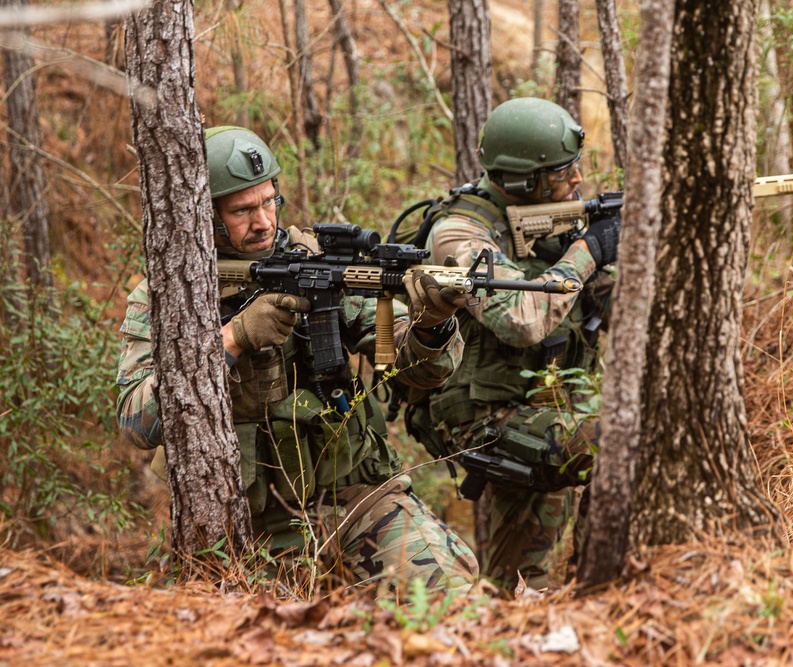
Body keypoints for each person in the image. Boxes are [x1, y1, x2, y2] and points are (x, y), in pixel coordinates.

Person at [116, 125, 478, 594]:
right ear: (203, 215)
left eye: (269, 202)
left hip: (355, 501)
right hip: (243, 528)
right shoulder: (168, 294)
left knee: (450, 595)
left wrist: (432, 322)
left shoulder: (315, 263)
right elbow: (137, 422)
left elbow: (415, 368)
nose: (263, 221)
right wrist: (234, 337)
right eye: (243, 210)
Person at [403, 98, 619, 590]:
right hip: (483, 419)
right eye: (564, 171)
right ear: (526, 181)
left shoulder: (550, 218)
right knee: (620, 444)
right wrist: (588, 253)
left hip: (547, 402)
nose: (579, 179)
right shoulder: (460, 232)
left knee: (517, 585)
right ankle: (606, 590)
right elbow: (521, 320)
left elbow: (615, 307)